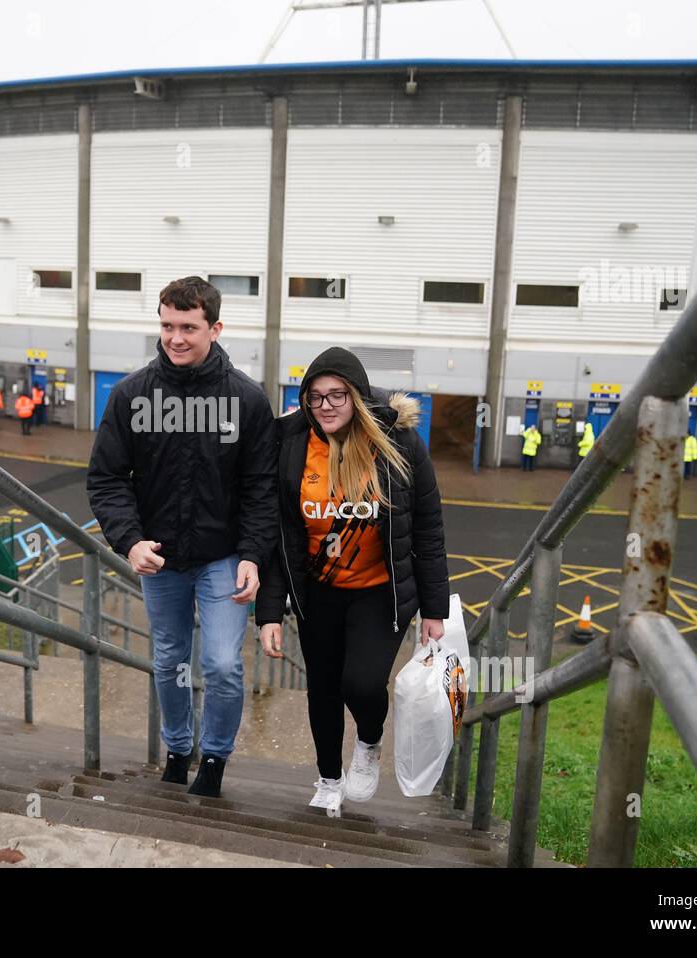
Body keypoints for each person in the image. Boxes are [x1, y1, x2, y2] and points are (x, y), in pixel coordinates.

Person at [87, 276, 277, 798]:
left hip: (222, 559)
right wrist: (130, 541)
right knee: (169, 660)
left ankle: (213, 758)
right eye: (167, 325)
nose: (175, 337)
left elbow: (262, 488)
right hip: (161, 560)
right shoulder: (131, 395)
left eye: (188, 327)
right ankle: (177, 749)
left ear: (215, 328)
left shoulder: (248, 400)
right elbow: (106, 478)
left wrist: (253, 556)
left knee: (219, 662)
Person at [254, 347, 450, 816]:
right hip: (317, 593)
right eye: (315, 396)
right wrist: (268, 613)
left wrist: (435, 610)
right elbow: (280, 535)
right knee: (322, 688)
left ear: (357, 397)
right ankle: (327, 777)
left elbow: (427, 526)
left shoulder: (398, 443)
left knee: (361, 684)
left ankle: (368, 740)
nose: (326, 405)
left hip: (378, 592)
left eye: (337, 394)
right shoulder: (291, 445)